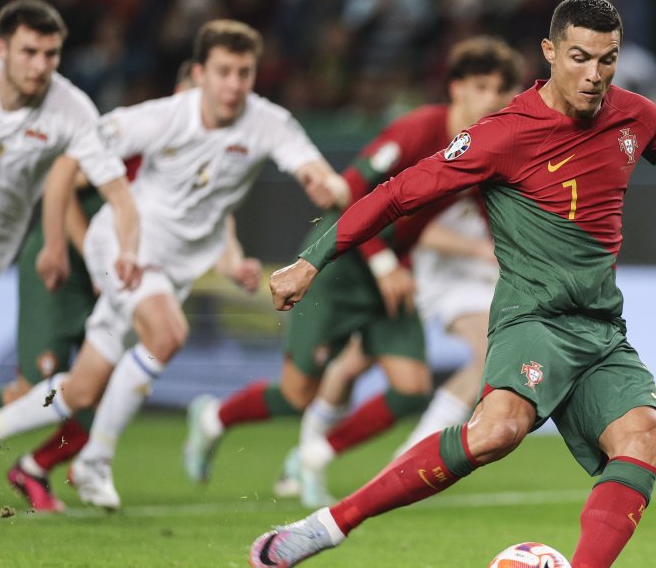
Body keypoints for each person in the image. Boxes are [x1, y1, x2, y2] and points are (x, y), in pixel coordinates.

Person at [247, 0, 656, 567]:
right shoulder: (503, 134)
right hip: (533, 320)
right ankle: (327, 526)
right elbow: (399, 192)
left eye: (607, 60)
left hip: (600, 328)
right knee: (498, 431)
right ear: (550, 53)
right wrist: (311, 261)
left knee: (645, 437)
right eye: (580, 57)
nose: (595, 75)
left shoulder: (637, 116)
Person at [0, 19, 346, 510]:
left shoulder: (269, 123)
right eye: (224, 71)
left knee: (83, 388)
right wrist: (54, 241)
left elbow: (309, 170)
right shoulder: (163, 117)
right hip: (120, 248)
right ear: (199, 73)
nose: (235, 84)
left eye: (245, 72)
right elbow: (74, 155)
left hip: (171, 271)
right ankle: (94, 461)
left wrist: (323, 184)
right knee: (168, 333)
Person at [182, 37, 522, 504]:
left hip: (392, 273)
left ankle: (314, 456)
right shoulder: (417, 130)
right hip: (339, 263)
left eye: (503, 90)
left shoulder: (484, 148)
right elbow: (352, 193)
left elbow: (491, 212)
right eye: (483, 86)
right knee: (297, 394)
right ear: (456, 88)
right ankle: (212, 418)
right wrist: (384, 263)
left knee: (411, 388)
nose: (494, 99)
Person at [0, 62, 212, 513]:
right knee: (36, 385)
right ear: (180, 92)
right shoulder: (135, 138)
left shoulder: (197, 160)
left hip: (103, 278)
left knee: (96, 389)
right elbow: (61, 186)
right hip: (60, 267)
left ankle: (34, 467)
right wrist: (90, 257)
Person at [0, 0, 140, 446]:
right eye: (29, 52)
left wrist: (121, 254)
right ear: (1, 50)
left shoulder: (71, 110)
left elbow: (119, 196)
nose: (40, 65)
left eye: (50, 55)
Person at [273, 194, 499, 506]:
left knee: (354, 368)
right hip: (421, 280)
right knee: (337, 373)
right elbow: (411, 222)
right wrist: (478, 249)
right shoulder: (448, 160)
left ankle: (311, 456)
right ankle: (402, 458)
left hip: (464, 280)